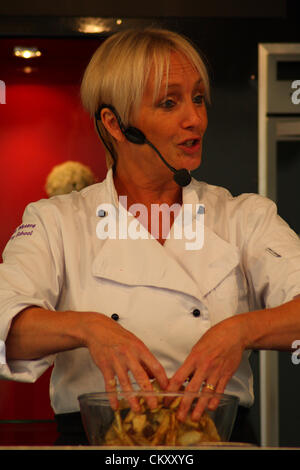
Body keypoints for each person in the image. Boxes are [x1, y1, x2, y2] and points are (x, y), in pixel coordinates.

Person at [1, 28, 300, 446]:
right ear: (116, 125)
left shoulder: (244, 216)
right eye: (169, 102)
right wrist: (89, 328)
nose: (195, 118)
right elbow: (6, 323)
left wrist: (241, 330)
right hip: (100, 446)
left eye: (197, 98)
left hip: (211, 442)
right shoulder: (56, 221)